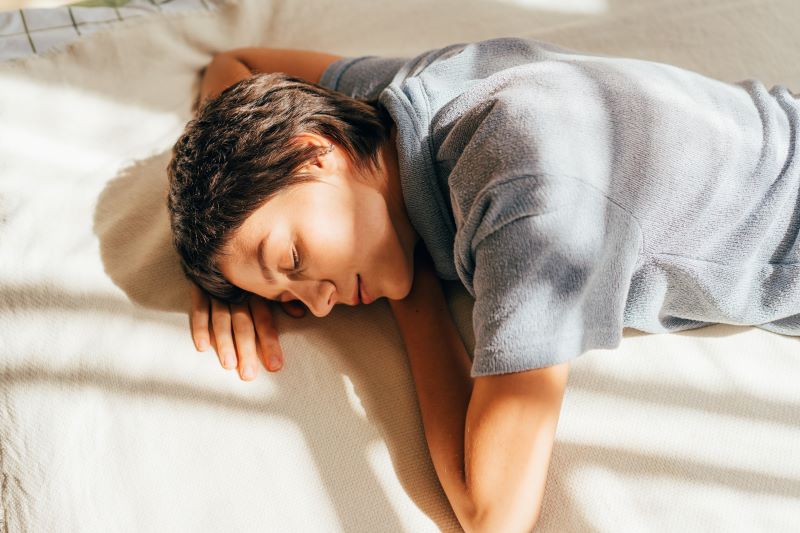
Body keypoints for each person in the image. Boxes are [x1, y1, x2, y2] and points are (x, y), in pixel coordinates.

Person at [165, 36, 800, 532]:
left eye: (295, 259)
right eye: (288, 299)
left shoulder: (530, 197)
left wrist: (411, 298)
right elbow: (234, 63)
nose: (319, 302)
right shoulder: (389, 105)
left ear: (315, 152)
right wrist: (223, 265)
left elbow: (494, 515)